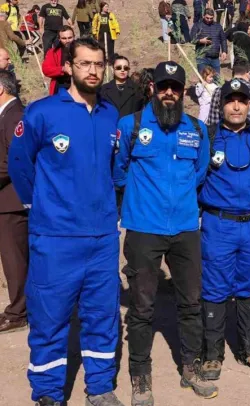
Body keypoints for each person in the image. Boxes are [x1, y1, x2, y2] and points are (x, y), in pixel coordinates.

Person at [8, 37, 122, 406]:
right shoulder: (41, 113)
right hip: (55, 237)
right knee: (50, 316)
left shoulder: (110, 115)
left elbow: (113, 169)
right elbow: (20, 165)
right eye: (85, 63)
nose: (93, 70)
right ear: (69, 67)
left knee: (102, 315)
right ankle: (47, 392)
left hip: (102, 238)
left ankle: (100, 388)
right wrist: (40, 206)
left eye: (99, 64)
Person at [113, 61, 216, 405]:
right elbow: (119, 171)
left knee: (191, 303)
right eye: (163, 86)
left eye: (175, 87)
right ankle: (140, 376)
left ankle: (190, 367)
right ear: (152, 88)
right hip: (144, 229)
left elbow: (200, 172)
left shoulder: (197, 129)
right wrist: (143, 199)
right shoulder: (131, 125)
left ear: (183, 92)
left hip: (185, 229)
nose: (169, 92)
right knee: (142, 307)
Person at [198, 78, 250, 380]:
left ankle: (249, 349)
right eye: (230, 100)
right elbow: (197, 177)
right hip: (219, 224)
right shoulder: (208, 137)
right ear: (221, 104)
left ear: (249, 104)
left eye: (241, 101)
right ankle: (212, 355)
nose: (235, 106)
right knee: (215, 287)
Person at [0, 70, 26, 335]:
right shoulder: (7, 115)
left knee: (14, 259)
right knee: (14, 258)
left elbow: (13, 160)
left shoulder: (14, 115)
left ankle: (18, 312)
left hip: (12, 200)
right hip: (8, 199)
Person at [191, 9, 227, 79]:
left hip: (215, 58)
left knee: (217, 79)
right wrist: (200, 41)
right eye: (207, 18)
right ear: (203, 16)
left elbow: (223, 39)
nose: (209, 20)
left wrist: (224, 51)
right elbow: (191, 39)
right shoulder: (197, 25)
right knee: (203, 79)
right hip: (202, 58)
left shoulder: (218, 26)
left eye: (211, 18)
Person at [41, 25, 73, 95]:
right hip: (60, 86)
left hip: (79, 86)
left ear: (74, 36)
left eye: (70, 38)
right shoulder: (53, 52)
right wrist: (63, 69)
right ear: (59, 39)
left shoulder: (81, 50)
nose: (67, 41)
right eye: (64, 38)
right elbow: (46, 69)